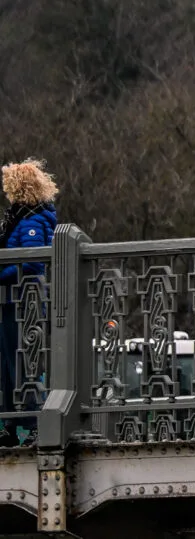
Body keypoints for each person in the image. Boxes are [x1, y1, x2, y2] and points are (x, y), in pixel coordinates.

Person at [1, 160, 58, 429]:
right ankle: (13, 424)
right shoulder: (22, 217)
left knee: (25, 363)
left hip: (23, 301)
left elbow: (33, 262)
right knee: (10, 365)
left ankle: (34, 424)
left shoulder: (31, 219)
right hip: (13, 300)